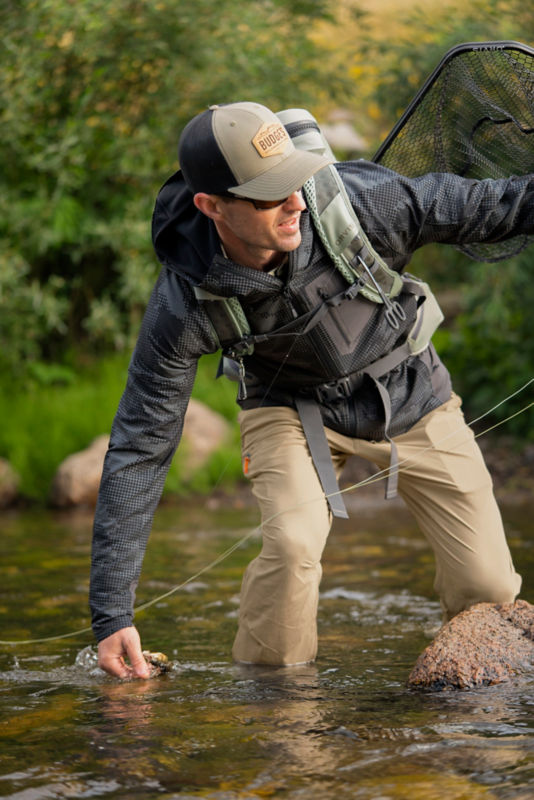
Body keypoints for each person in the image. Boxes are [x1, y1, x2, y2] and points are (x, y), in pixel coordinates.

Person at [90, 101, 530, 679]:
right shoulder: (183, 305)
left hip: (411, 391)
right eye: (272, 193)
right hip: (289, 410)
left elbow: (487, 205)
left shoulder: (360, 202)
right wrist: (111, 614)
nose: (297, 200)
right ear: (211, 206)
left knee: (489, 585)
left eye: (296, 180)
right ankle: (276, 709)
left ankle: (463, 705)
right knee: (294, 546)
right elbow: (140, 445)